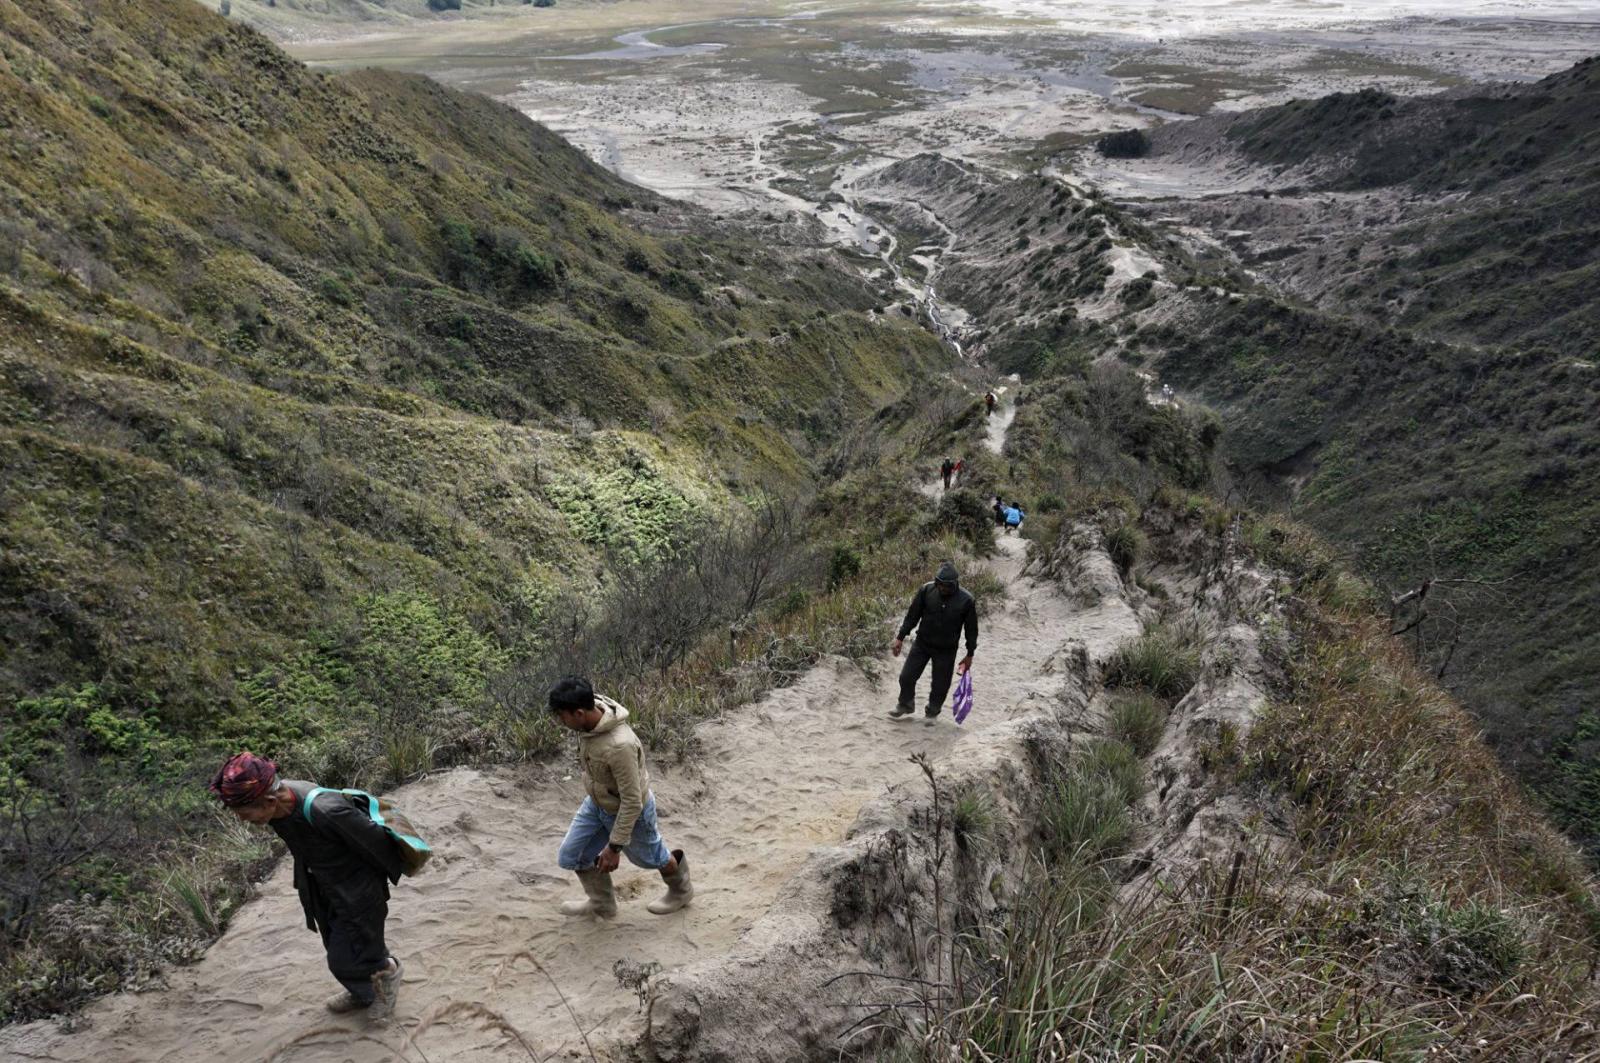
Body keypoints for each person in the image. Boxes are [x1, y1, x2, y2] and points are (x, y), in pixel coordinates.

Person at [209, 752, 406, 1023]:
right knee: (337, 943)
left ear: (268, 801)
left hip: (357, 889)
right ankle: (362, 991)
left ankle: (387, 977)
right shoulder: (278, 808)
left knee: (352, 953)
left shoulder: (325, 810)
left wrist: (374, 889)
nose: (244, 820)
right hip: (322, 885)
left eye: (246, 814)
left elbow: (375, 844)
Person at [549, 676, 693, 918]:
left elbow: (632, 800)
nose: (560, 721)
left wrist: (614, 847)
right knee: (572, 854)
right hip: (598, 803)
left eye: (562, 716)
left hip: (630, 811)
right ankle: (601, 903)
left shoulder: (619, 746)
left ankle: (681, 891)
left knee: (652, 857)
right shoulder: (591, 719)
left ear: (580, 713)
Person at [890, 561, 978, 725]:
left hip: (946, 649)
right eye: (939, 584)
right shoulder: (926, 590)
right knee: (906, 677)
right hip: (922, 643)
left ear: (954, 584)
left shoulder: (966, 600)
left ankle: (932, 712)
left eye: (945, 585)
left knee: (940, 685)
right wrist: (900, 638)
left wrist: (970, 654)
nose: (941, 588)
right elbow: (912, 616)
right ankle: (905, 704)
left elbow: (971, 630)